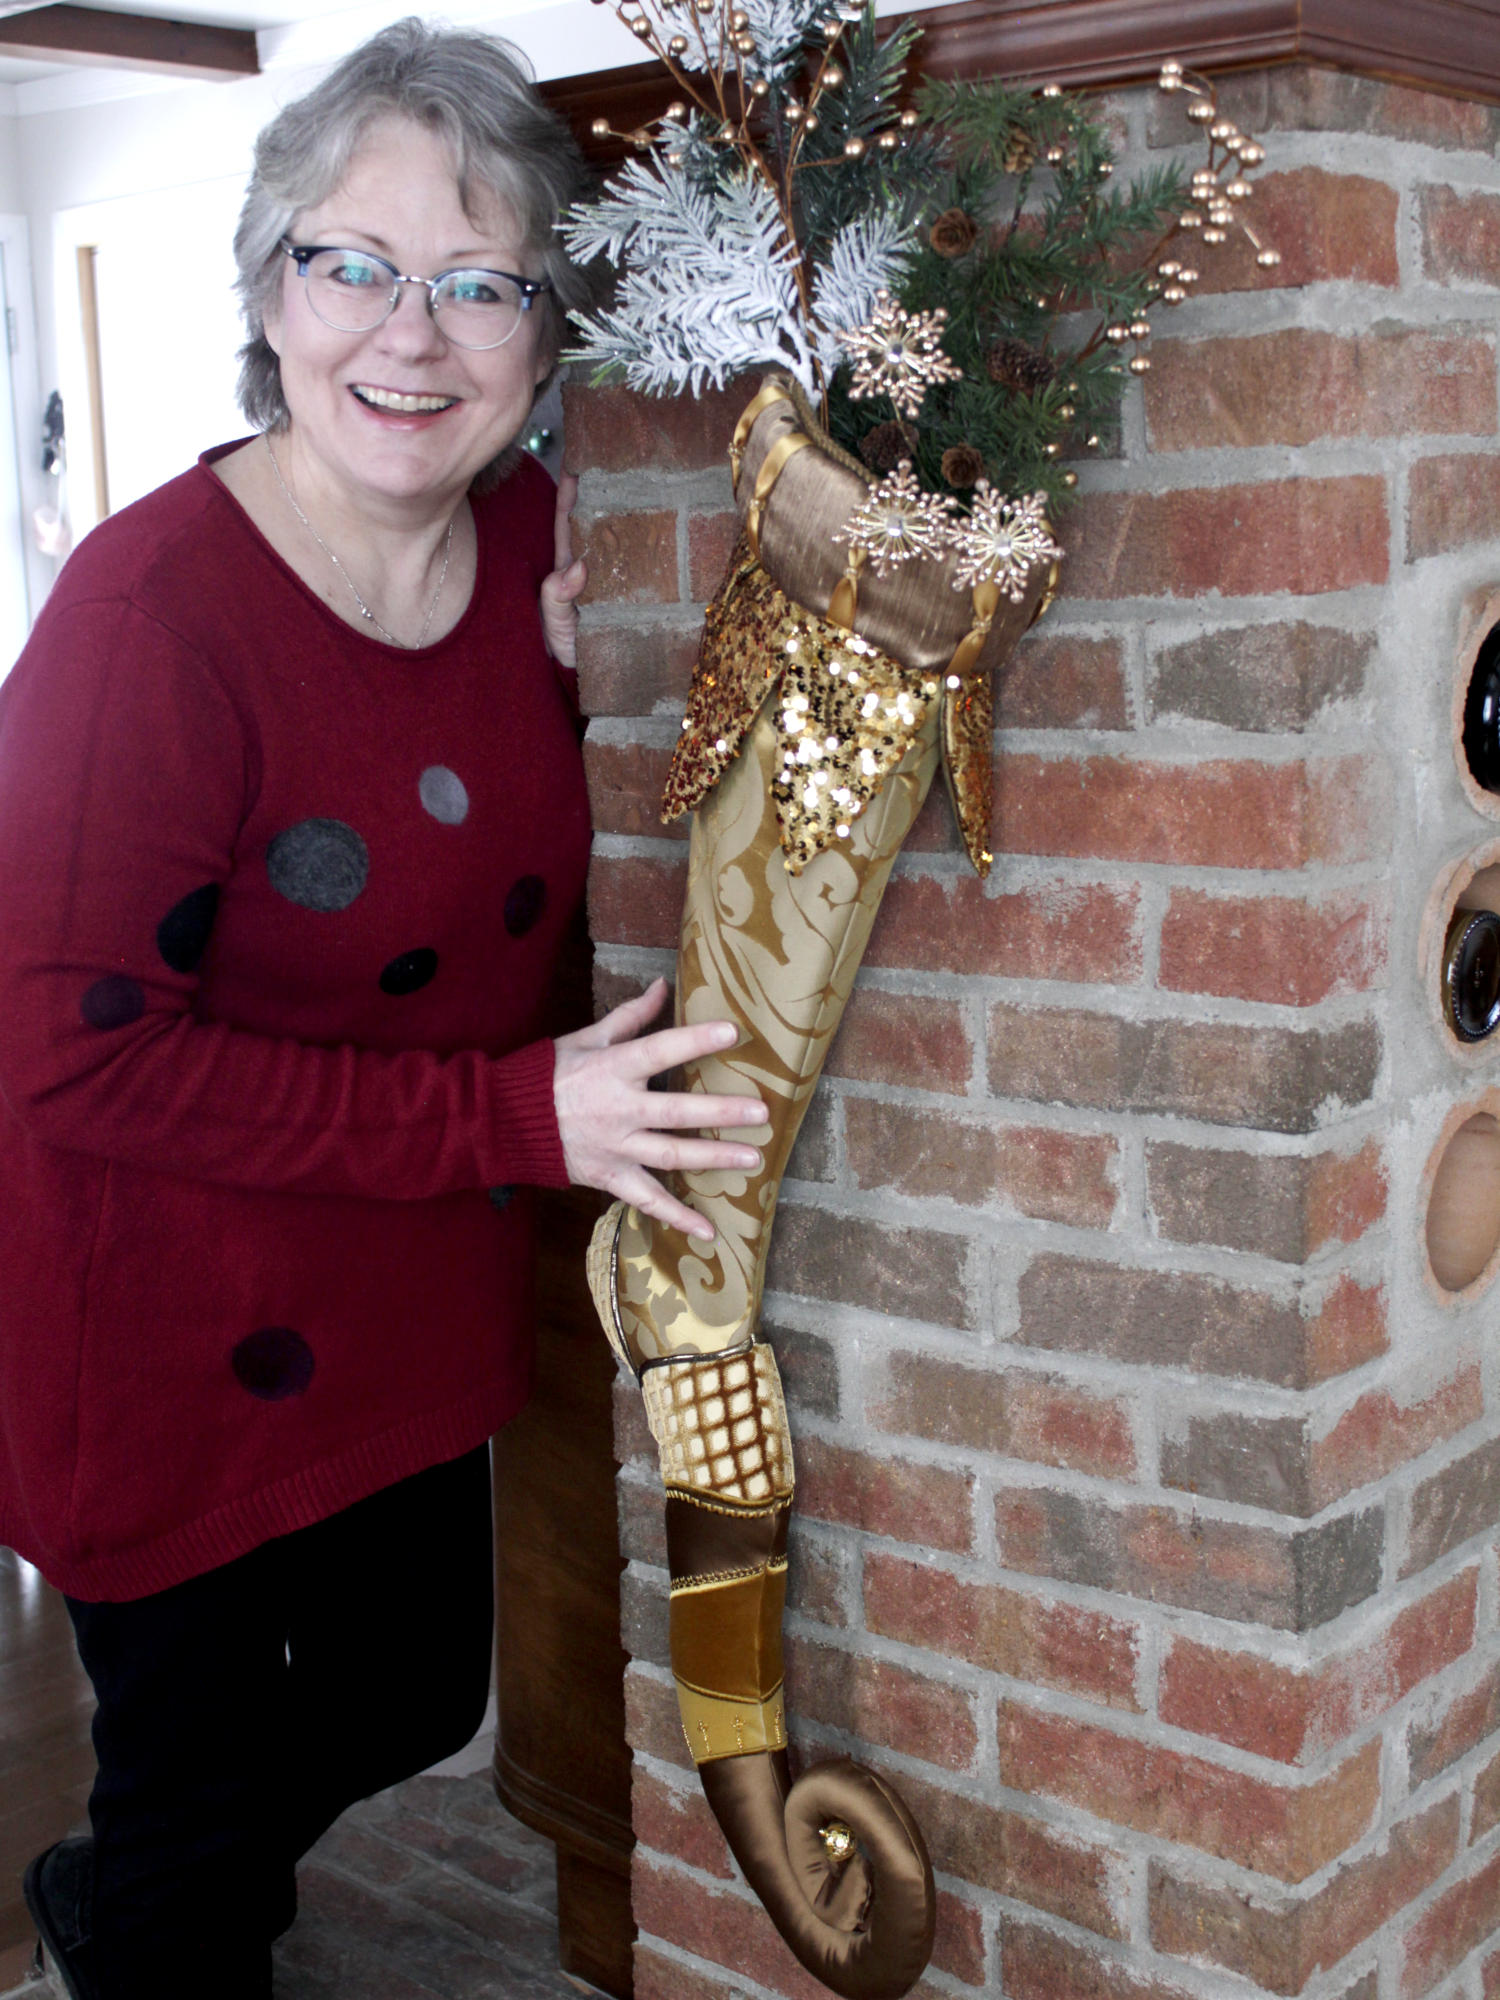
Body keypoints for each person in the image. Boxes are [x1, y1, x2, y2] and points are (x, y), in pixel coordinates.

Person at [0, 21, 767, 1999]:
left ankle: (136, 1886)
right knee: (191, 1852)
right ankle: (137, 1918)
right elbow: (69, 1053)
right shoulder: (146, 622)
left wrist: (613, 661)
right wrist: (514, 1123)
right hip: (161, 1319)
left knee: (416, 1690)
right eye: (352, 262)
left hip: (396, 1295)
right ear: (271, 292)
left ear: (541, 333)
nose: (408, 334)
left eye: (479, 280)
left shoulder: (539, 546)